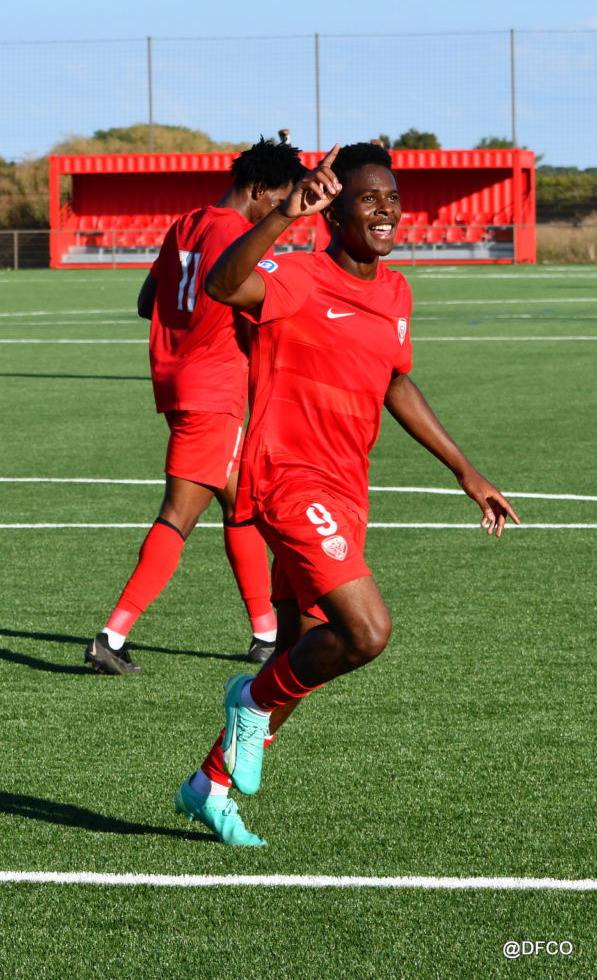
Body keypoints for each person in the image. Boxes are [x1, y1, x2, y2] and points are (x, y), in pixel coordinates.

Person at [173, 142, 520, 845]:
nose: (385, 209)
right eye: (367, 198)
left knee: (307, 651)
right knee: (366, 632)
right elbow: (221, 286)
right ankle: (248, 702)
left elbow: (394, 379)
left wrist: (465, 470)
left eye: (391, 197)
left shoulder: (394, 291)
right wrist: (283, 218)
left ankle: (208, 784)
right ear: (334, 213)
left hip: (345, 488)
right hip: (286, 478)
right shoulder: (298, 276)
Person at [85, 138, 305, 675]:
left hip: (179, 382)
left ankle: (265, 635)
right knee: (179, 516)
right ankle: (112, 637)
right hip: (216, 391)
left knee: (241, 506)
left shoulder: (185, 224)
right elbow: (250, 300)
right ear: (257, 190)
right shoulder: (241, 238)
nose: (280, 213)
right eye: (277, 201)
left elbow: (146, 303)